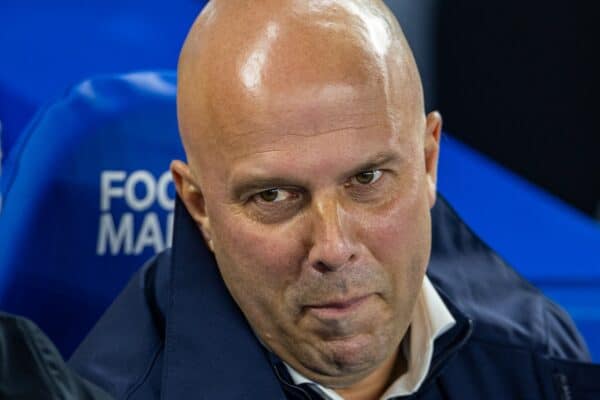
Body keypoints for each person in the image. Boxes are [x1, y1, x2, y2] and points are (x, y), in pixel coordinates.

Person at [70, 1, 600, 399]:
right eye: (274, 195)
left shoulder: (538, 353)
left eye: (367, 178)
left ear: (428, 161)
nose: (333, 245)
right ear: (199, 206)